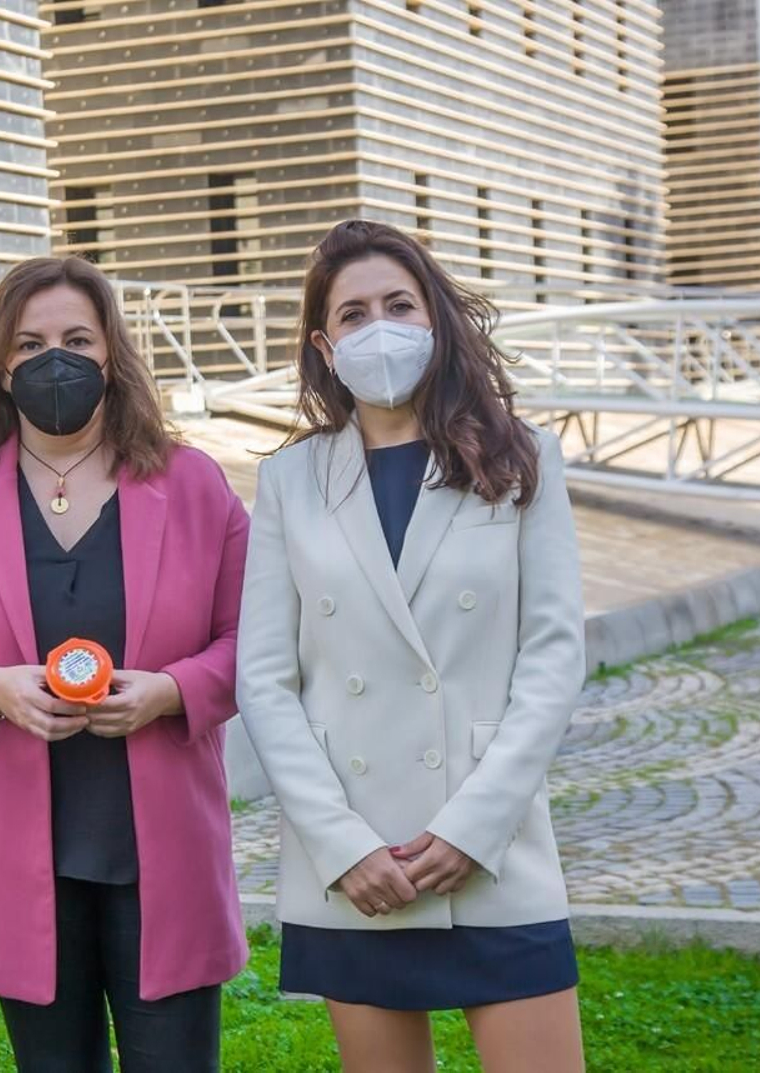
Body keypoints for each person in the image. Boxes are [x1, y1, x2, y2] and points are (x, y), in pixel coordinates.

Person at [0, 256, 250, 1072]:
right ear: (0, 365)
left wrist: (170, 691)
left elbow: (252, 644)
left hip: (164, 859)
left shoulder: (193, 485)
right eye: (31, 342)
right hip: (17, 859)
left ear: (112, 352)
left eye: (78, 338)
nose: (57, 358)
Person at [237, 219, 587, 1073]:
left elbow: (551, 660)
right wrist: (341, 843)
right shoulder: (292, 478)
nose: (378, 326)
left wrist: (474, 825)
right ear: (325, 344)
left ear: (435, 319)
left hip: (491, 845)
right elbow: (266, 677)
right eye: (353, 314)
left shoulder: (522, 459)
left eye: (399, 304)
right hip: (357, 857)